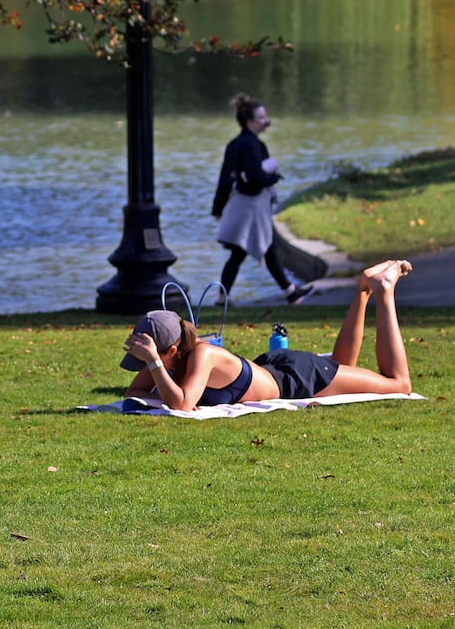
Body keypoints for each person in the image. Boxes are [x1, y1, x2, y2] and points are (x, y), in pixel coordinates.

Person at [121, 260, 415, 411]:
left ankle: (384, 290)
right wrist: (152, 364)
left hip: (297, 379)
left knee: (398, 384)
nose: (146, 365)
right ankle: (364, 288)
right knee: (342, 364)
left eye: (149, 358)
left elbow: (183, 404)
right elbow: (135, 394)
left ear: (171, 351)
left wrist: (155, 365)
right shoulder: (173, 356)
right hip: (274, 366)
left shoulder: (203, 353)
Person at [211, 93, 313, 305]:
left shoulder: (235, 144)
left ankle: (289, 292)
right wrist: (273, 175)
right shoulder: (251, 145)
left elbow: (224, 179)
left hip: (242, 204)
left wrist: (218, 207)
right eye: (261, 117)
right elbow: (256, 176)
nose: (266, 121)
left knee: (259, 249)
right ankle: (288, 293)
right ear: (249, 121)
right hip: (252, 207)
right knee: (248, 250)